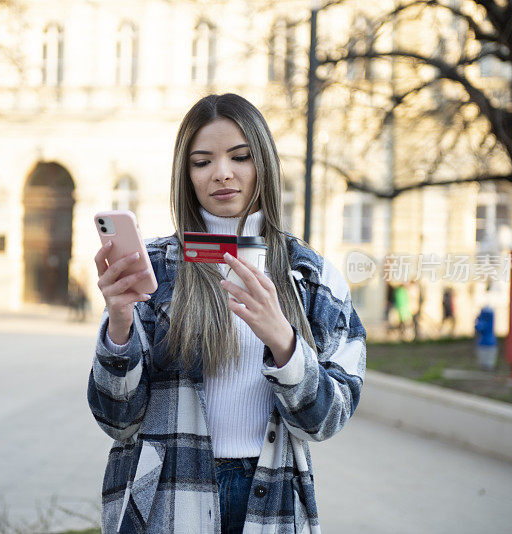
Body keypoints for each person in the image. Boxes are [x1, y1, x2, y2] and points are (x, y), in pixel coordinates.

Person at [87, 94, 366, 534]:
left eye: (240, 157)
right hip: (167, 497)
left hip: (271, 496)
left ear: (265, 164)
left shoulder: (310, 276)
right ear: (186, 174)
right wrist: (119, 323)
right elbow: (116, 420)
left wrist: (284, 342)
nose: (222, 173)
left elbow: (329, 419)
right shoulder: (156, 267)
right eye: (202, 162)